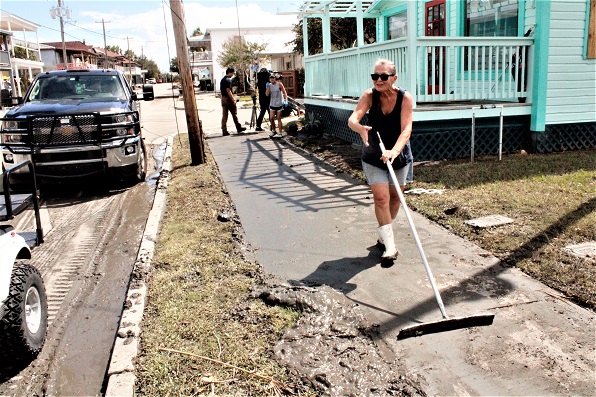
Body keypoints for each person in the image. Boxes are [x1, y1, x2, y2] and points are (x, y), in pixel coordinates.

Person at [347, 58, 413, 260]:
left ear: (394, 78)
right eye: (375, 76)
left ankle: (384, 234)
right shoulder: (370, 95)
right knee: (381, 197)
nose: (378, 80)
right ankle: (390, 247)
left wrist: (394, 151)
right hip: (374, 155)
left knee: (395, 198)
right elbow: (353, 118)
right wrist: (358, 127)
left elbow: (407, 129)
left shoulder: (405, 98)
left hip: (398, 155)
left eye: (383, 76)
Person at [220, 67, 246, 136]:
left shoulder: (222, 80)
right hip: (228, 99)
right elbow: (228, 90)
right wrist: (233, 99)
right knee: (234, 113)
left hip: (223, 98)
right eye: (232, 73)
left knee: (224, 115)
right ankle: (238, 127)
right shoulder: (228, 80)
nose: (232, 75)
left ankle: (224, 130)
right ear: (229, 72)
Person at [265, 73, 288, 138]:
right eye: (271, 78)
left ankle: (280, 132)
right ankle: (273, 130)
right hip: (272, 103)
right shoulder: (269, 85)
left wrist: (286, 100)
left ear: (275, 78)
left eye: (273, 78)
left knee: (278, 118)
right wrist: (267, 88)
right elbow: (267, 94)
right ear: (269, 79)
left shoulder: (279, 84)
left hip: (279, 103)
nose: (272, 79)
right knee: (271, 118)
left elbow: (284, 93)